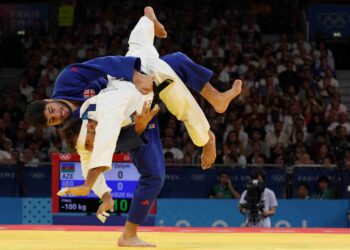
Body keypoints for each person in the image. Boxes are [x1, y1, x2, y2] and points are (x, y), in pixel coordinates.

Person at [26, 7, 240, 247]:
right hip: (134, 117)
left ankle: (208, 121)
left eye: (52, 110)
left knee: (169, 62)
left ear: (48, 100)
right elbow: (95, 152)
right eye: (53, 120)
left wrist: (135, 75)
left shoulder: (70, 82)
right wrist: (104, 191)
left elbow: (104, 64)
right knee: (154, 175)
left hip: (133, 82)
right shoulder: (78, 128)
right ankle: (129, 233)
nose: (59, 114)